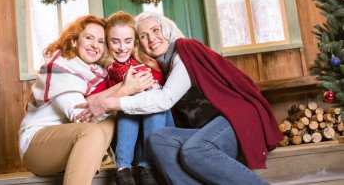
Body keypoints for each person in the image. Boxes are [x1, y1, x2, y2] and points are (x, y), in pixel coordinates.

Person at [75, 11, 284, 185]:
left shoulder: (185, 50)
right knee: (158, 140)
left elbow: (163, 100)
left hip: (234, 121)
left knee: (194, 150)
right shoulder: (159, 70)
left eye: (155, 31)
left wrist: (109, 103)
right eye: (144, 36)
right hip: (204, 131)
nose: (152, 39)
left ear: (166, 30)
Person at [19, 15, 154, 185]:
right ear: (74, 41)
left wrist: (128, 86)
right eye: (88, 38)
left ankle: (117, 161)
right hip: (37, 146)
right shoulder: (61, 67)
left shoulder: (95, 72)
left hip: (72, 142)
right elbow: (80, 115)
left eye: (100, 41)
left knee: (116, 114)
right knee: (92, 130)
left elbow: (95, 103)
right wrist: (125, 89)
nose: (94, 45)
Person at [104, 11, 167, 185]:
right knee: (127, 103)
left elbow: (162, 91)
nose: (122, 47)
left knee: (151, 99)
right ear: (107, 42)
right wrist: (128, 89)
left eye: (128, 41)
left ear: (135, 42)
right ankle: (123, 169)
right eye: (115, 41)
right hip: (129, 143)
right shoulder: (107, 71)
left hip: (154, 137)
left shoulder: (147, 63)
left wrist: (149, 87)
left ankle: (146, 166)